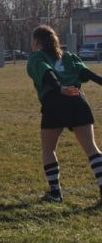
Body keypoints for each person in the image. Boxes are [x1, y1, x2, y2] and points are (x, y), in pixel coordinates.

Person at [27, 25, 102, 204]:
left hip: (56, 101)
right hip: (78, 99)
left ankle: (55, 192)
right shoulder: (68, 56)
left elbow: (47, 73)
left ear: (36, 41)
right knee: (91, 148)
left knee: (48, 149)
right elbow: (86, 73)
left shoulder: (37, 56)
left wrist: (60, 88)